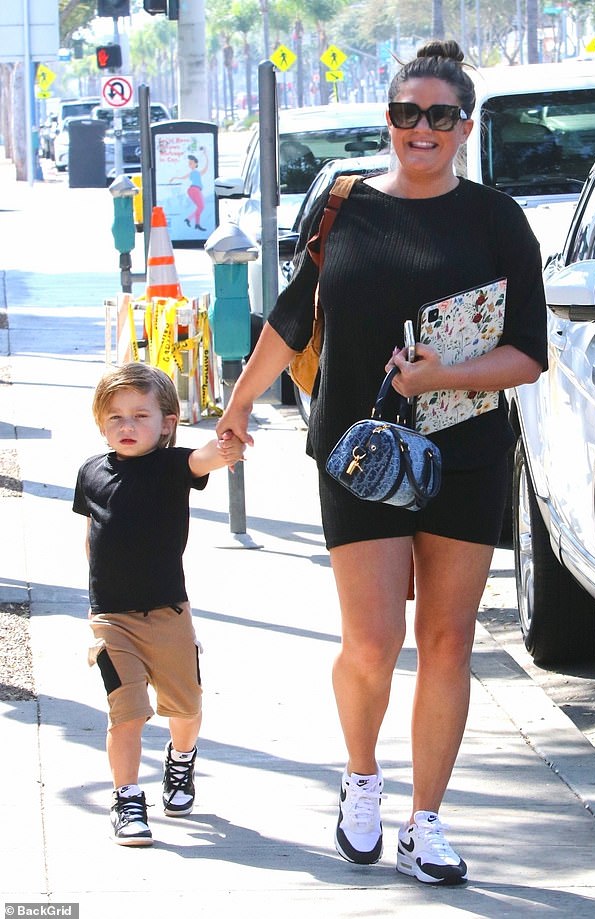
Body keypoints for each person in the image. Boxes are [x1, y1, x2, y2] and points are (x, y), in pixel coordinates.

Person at [217, 40, 547, 885]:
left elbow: (528, 356)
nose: (423, 128)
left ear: (465, 125)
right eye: (408, 113)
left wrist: (449, 376)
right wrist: (242, 398)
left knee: (446, 640)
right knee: (371, 641)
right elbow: (295, 315)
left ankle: (425, 819)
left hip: (465, 453)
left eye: (441, 114)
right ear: (389, 121)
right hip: (359, 453)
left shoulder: (497, 219)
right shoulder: (345, 206)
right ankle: (361, 777)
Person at [73, 362, 244, 846]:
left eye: (140, 416)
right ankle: (127, 799)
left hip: (168, 613)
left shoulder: (174, 466)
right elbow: (92, 535)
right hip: (112, 619)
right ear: (101, 422)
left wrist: (231, 431)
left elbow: (211, 455)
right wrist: (95, 600)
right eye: (115, 417)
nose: (127, 426)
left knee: (185, 708)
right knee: (125, 713)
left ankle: (181, 760)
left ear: (167, 422)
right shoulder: (90, 472)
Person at [170, 148, 208, 231]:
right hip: (194, 190)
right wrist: (175, 178)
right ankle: (195, 222)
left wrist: (205, 155)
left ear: (195, 163)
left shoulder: (195, 172)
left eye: (191, 163)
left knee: (200, 207)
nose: (189, 164)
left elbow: (205, 168)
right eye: (189, 163)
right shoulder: (194, 172)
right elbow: (205, 169)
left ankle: (192, 221)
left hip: (193, 190)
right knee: (201, 207)